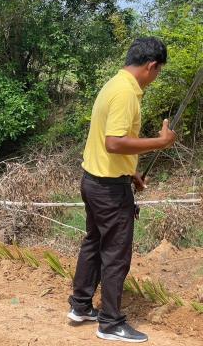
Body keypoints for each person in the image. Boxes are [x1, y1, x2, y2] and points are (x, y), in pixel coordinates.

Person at [67, 37, 176, 343]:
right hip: (108, 190)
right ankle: (111, 323)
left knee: (94, 243)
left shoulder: (114, 84)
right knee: (115, 254)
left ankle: (81, 305)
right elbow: (113, 142)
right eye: (158, 72)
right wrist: (161, 142)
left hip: (94, 179)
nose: (156, 78)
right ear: (151, 66)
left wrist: (132, 172)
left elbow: (112, 142)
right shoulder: (127, 94)